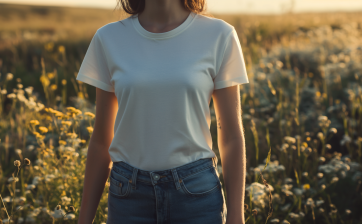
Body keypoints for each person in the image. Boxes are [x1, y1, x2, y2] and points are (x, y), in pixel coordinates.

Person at [76, 0, 249, 223]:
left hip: (196, 195)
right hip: (129, 197)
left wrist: (237, 215)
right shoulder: (108, 38)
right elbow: (101, 140)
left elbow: (232, 136)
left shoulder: (219, 35)